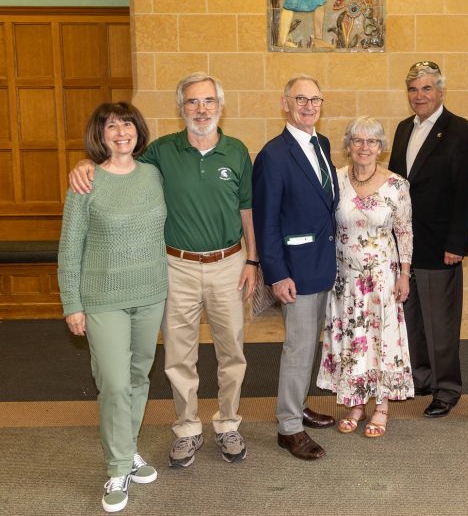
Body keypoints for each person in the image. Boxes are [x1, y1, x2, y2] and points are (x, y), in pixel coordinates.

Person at [69, 72, 257, 466]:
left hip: (228, 263)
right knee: (178, 355)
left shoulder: (238, 151)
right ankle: (187, 428)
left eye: (208, 101)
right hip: (176, 266)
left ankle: (227, 424)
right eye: (192, 102)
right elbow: (117, 161)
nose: (201, 109)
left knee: (232, 352)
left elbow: (247, 210)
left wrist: (252, 261)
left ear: (220, 106)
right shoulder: (160, 154)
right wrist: (84, 162)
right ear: (180, 108)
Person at [59, 102, 167, 513]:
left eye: (126, 124)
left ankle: (128, 448)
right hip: (102, 297)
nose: (120, 132)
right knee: (115, 382)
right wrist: (73, 303)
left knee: (139, 376)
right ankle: (119, 466)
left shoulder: (154, 174)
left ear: (138, 130)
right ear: (99, 135)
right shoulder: (86, 182)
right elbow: (70, 248)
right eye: (110, 126)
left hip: (151, 292)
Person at [252, 74, 339, 460]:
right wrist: (276, 273)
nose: (308, 106)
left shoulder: (322, 143)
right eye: (300, 99)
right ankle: (288, 427)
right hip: (294, 271)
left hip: (323, 264)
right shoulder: (273, 155)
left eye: (315, 100)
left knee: (310, 345)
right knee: (298, 348)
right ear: (284, 103)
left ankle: (298, 404)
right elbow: (265, 221)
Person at [388, 61, 468, 418]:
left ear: (441, 91)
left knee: (440, 321)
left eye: (426, 89)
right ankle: (421, 377)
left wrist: (457, 243)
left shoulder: (460, 131)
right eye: (413, 89)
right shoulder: (401, 130)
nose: (419, 96)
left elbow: (465, 194)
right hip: (404, 246)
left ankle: (447, 388)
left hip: (440, 245)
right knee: (411, 318)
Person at [316, 116, 413, 437]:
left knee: (380, 342)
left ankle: (381, 407)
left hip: (382, 281)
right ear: (347, 145)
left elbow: (404, 232)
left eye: (371, 141)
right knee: (352, 343)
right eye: (357, 140)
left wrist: (405, 274)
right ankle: (355, 404)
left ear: (381, 147)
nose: (364, 147)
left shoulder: (396, 185)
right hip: (343, 280)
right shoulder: (335, 179)